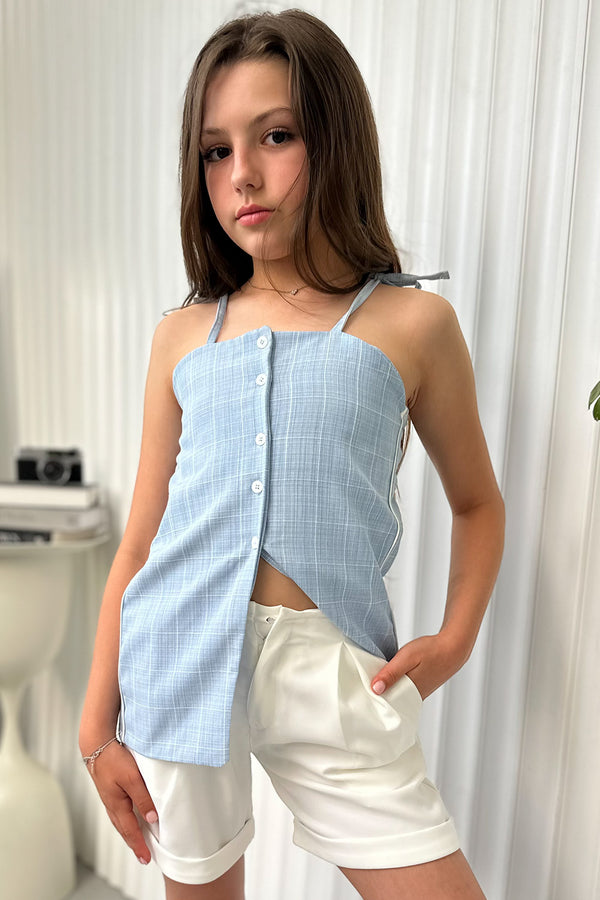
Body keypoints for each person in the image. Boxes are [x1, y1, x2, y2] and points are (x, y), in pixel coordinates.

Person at [79, 8, 505, 900]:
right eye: (215, 150)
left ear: (335, 137)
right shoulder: (182, 335)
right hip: (177, 650)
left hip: (331, 667)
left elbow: (477, 502)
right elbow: (141, 541)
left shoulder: (412, 324)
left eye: (275, 135)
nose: (242, 173)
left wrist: (455, 640)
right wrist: (95, 726)